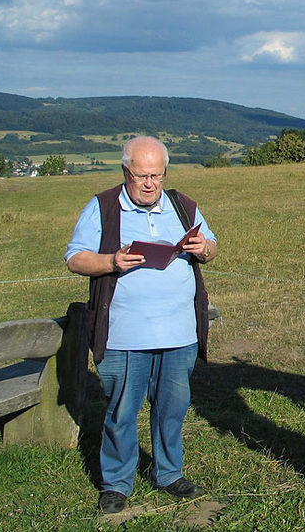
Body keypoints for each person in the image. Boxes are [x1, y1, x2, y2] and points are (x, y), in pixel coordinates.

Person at [64, 136, 217, 514]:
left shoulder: (183, 206)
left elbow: (211, 246)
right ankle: (116, 483)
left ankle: (169, 473)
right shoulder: (102, 207)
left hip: (178, 334)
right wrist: (111, 261)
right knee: (121, 411)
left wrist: (205, 250)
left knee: (172, 408)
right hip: (124, 336)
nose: (150, 184)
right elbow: (74, 259)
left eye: (157, 176)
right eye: (141, 176)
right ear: (124, 172)